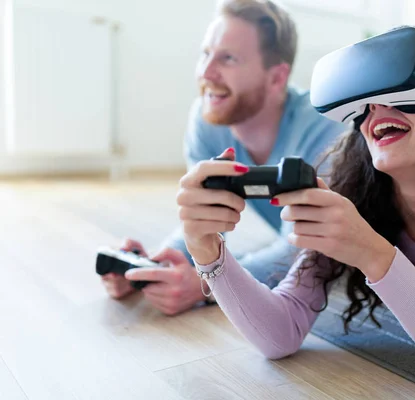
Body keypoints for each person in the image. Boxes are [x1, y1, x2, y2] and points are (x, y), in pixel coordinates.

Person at [176, 26, 415, 391]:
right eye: (365, 103)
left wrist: (369, 250)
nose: (375, 108)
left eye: (399, 90)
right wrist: (207, 252)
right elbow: (279, 335)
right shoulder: (355, 196)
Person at [100, 0, 346, 315]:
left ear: (276, 78)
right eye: (205, 54)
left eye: (228, 58)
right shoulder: (207, 119)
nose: (205, 72)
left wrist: (208, 283)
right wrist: (154, 267)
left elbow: (305, 250)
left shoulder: (324, 130)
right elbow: (206, 220)